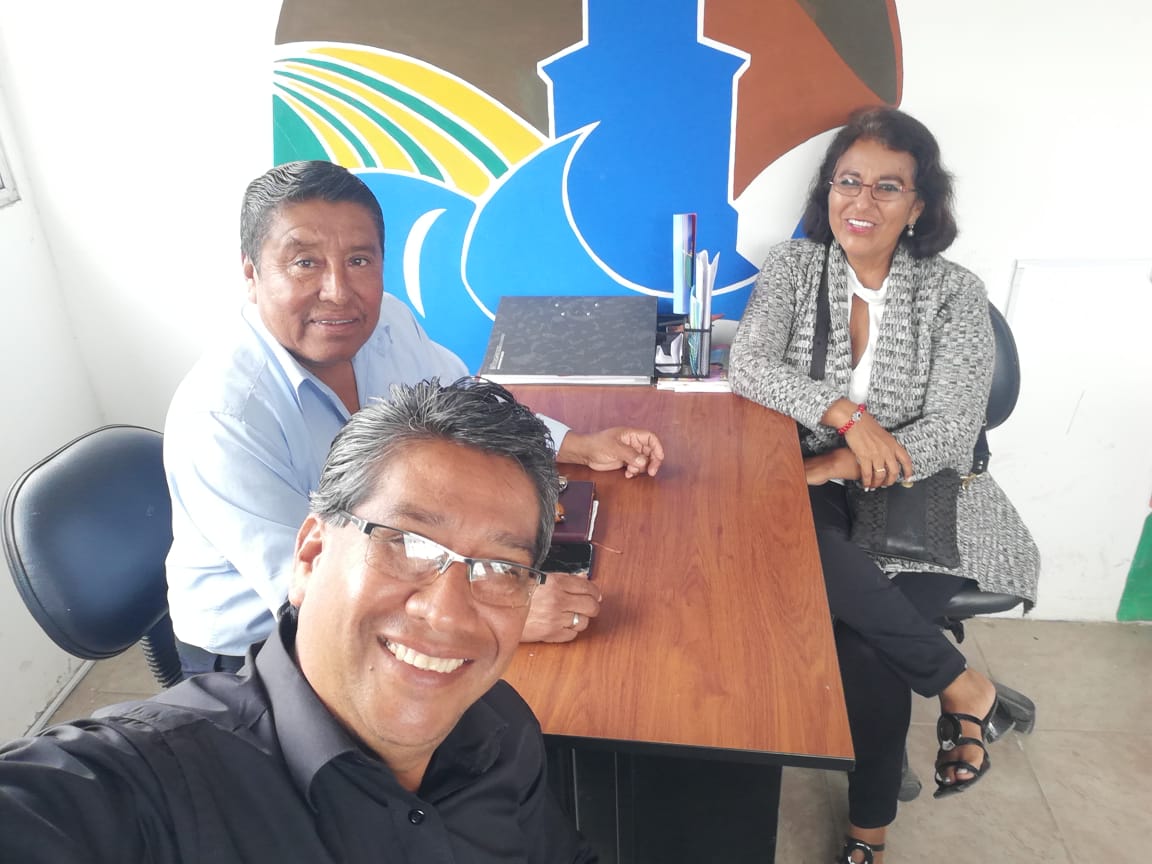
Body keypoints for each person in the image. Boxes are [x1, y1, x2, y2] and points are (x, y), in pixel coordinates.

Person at [0, 378, 598, 864]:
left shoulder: (500, 729)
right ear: (310, 556)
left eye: (498, 567)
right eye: (406, 543)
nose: (445, 612)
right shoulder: (150, 789)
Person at [164, 160, 665, 676]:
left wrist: (577, 444)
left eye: (359, 260)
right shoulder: (223, 417)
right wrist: (497, 605)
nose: (338, 291)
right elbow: (310, 587)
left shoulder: (386, 321)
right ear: (251, 274)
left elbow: (466, 400)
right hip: (262, 647)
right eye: (305, 262)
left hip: (393, 567)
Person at [729, 107, 1039, 864]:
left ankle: (868, 833)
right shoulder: (794, 268)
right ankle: (959, 685)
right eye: (849, 182)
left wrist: (843, 459)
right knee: (786, 537)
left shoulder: (954, 292)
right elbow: (751, 365)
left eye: (887, 187)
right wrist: (846, 418)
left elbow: (954, 429)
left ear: (919, 205)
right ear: (828, 189)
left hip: (928, 493)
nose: (861, 203)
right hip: (818, 482)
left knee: (864, 648)